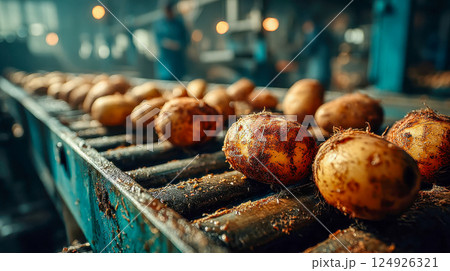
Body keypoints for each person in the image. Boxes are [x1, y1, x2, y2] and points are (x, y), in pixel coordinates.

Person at [154, 1, 189, 80]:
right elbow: (159, 41)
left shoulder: (179, 24)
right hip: (165, 67)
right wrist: (171, 44)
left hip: (179, 66)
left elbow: (186, 41)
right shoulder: (159, 25)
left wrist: (178, 45)